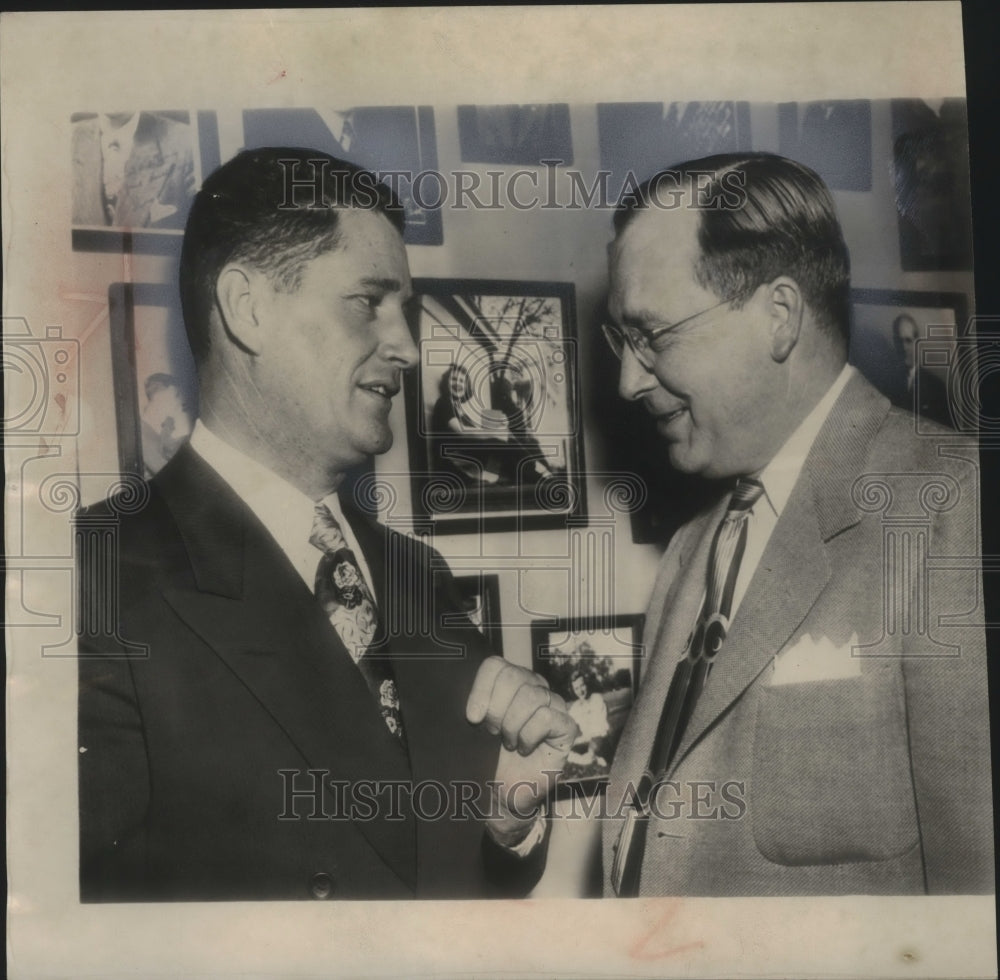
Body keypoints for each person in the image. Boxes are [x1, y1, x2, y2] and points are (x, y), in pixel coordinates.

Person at [76, 148, 577, 902]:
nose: (407, 346)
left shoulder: (418, 577)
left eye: (402, 310)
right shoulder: (92, 577)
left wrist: (509, 823)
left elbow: (447, 885)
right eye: (367, 302)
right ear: (247, 308)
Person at [600, 152, 991, 896]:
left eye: (653, 335)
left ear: (778, 317)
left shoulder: (955, 506)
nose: (627, 380)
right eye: (619, 340)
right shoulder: (690, 552)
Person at [889, 313, 952, 427]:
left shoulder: (937, 387)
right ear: (894, 342)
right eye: (899, 341)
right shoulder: (885, 381)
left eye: (908, 340)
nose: (903, 347)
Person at [565, 672, 609, 775]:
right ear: (573, 690)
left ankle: (591, 758)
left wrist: (581, 741)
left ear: (587, 684)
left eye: (582, 685)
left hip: (599, 739)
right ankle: (590, 759)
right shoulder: (575, 707)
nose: (580, 691)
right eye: (576, 688)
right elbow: (568, 727)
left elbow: (599, 730)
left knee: (591, 749)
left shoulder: (596, 699)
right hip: (585, 741)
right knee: (564, 751)